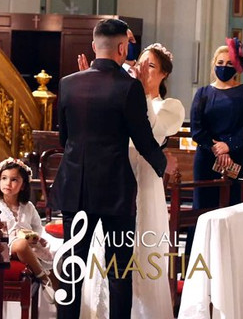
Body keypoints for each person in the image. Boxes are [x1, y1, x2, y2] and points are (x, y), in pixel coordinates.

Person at [53, 18, 174, 319]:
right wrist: (163, 163)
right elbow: (143, 138)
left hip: (75, 189)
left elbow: (64, 137)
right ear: (122, 48)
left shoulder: (68, 84)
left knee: (72, 269)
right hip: (115, 194)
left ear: (95, 47)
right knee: (119, 272)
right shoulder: (129, 87)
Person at [80, 43, 184, 318]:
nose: (141, 70)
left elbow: (153, 134)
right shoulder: (122, 98)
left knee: (144, 251)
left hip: (146, 184)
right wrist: (93, 89)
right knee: (110, 256)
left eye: (150, 66)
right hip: (115, 182)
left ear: (164, 75)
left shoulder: (170, 107)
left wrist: (137, 92)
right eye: (139, 63)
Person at [0, 157, 57, 301]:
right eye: (4, 178)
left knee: (53, 258)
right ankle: (42, 277)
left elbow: (38, 226)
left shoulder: (28, 207)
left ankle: (59, 300)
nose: (8, 183)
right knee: (20, 244)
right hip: (1, 248)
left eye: (14, 180)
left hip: (26, 246)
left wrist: (35, 236)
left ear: (23, 185)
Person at [190, 38, 243, 208]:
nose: (224, 66)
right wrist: (216, 148)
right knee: (204, 206)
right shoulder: (203, 93)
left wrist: (228, 145)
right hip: (207, 157)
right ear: (213, 64)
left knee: (235, 206)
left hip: (238, 156)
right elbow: (196, 128)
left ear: (236, 66)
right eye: (220, 62)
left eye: (229, 63)